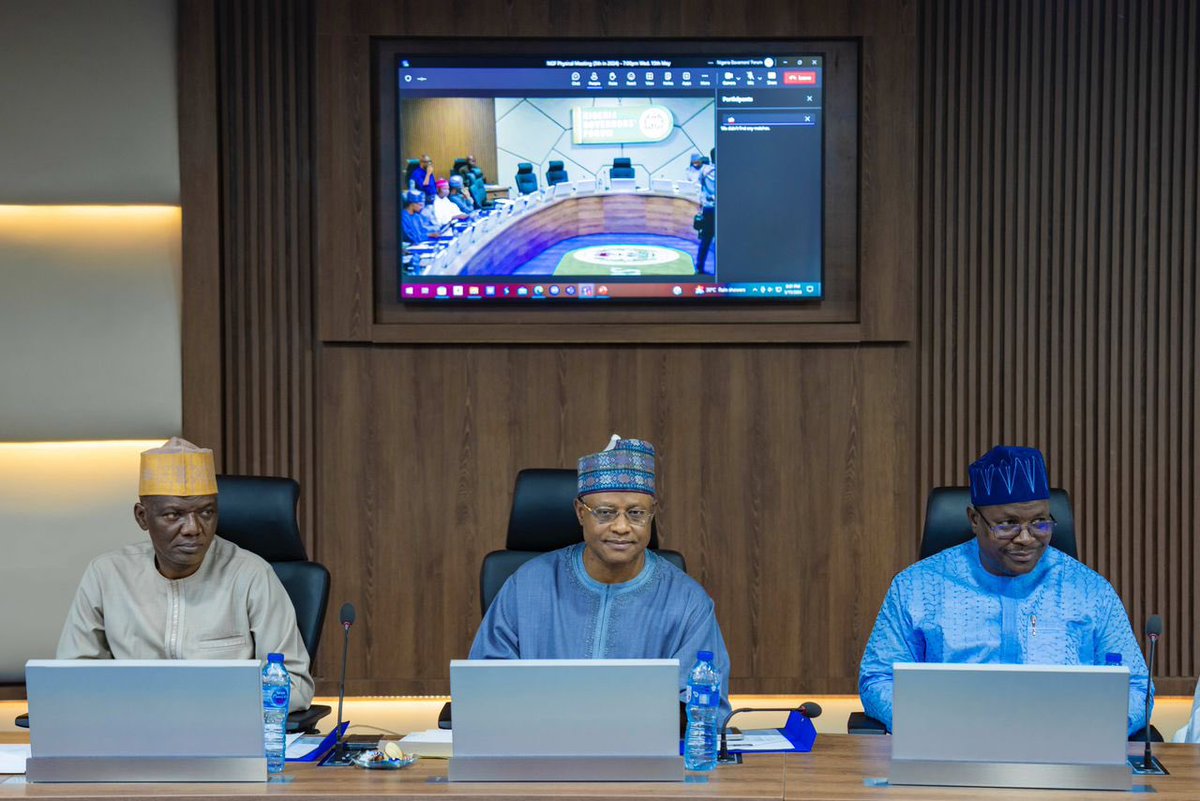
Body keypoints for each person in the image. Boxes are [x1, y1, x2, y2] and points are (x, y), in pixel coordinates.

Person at [859, 445, 1152, 734]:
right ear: (975, 520)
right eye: (1008, 525)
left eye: (1040, 522)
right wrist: (932, 726)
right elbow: (878, 678)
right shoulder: (916, 587)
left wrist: (1096, 730)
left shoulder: (1089, 591)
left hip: (1065, 751)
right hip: (949, 748)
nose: (1026, 538)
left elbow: (1137, 687)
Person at [469, 435, 732, 713]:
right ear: (581, 513)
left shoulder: (688, 602)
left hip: (643, 752)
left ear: (652, 514)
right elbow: (484, 689)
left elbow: (705, 710)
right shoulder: (526, 586)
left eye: (636, 513)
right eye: (605, 512)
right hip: (539, 749)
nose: (621, 527)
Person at [56, 438, 314, 712]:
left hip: (224, 736)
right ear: (142, 517)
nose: (192, 528)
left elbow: (295, 687)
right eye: (173, 514)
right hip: (132, 734)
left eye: (206, 512)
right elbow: (69, 681)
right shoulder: (106, 575)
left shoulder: (252, 575)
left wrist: (195, 705)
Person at [695, 148, 716, 275]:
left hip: (707, 209)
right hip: (720, 210)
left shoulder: (704, 170)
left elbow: (701, 186)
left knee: (706, 239)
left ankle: (699, 267)